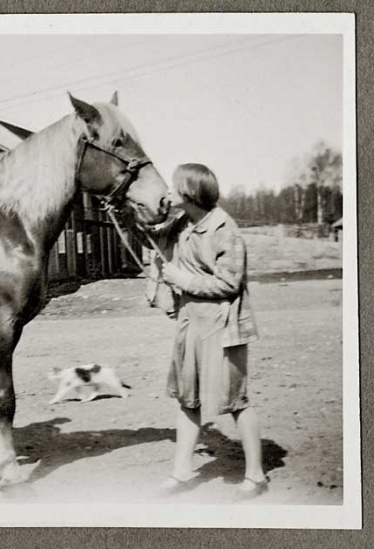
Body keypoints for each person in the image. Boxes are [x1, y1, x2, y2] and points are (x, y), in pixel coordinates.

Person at [156, 163, 268, 500]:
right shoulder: (182, 224)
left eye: (173, 188)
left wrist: (183, 281)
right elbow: (151, 234)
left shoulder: (224, 229)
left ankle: (256, 476)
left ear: (190, 192)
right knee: (187, 400)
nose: (167, 192)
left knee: (236, 402)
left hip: (223, 327)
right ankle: (181, 471)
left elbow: (230, 283)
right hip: (191, 323)